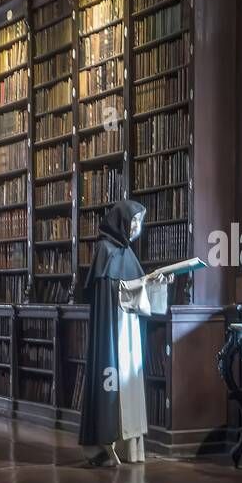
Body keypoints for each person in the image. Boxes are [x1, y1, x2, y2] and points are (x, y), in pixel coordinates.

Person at [77, 200, 168, 466]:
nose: (137, 228)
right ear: (121, 222)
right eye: (134, 222)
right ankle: (106, 445)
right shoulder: (105, 251)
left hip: (129, 331)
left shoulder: (127, 253)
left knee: (130, 382)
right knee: (112, 383)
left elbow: (134, 288)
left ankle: (131, 447)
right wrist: (143, 283)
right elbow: (115, 292)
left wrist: (156, 282)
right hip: (113, 332)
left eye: (140, 222)